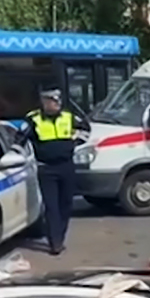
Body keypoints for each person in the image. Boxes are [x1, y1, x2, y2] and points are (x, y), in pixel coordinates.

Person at [18, 88, 90, 255]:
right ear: (44, 102)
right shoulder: (33, 119)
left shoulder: (68, 116)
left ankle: (60, 237)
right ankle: (54, 242)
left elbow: (86, 128)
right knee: (51, 206)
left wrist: (75, 143)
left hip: (66, 166)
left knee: (66, 204)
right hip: (46, 168)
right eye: (53, 101)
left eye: (58, 101)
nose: (57, 104)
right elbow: (19, 139)